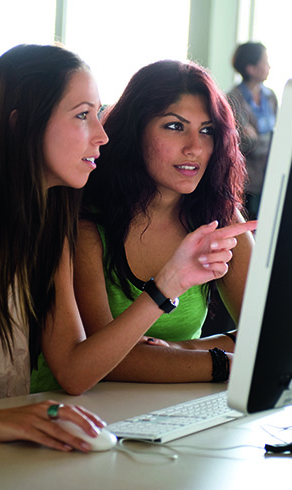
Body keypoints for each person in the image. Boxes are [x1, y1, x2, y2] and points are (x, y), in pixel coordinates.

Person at [0, 45, 255, 451]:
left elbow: (75, 368)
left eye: (97, 114)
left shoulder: (49, 219)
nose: (103, 134)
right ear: (21, 125)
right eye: (83, 115)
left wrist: (169, 290)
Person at [31, 59, 256, 391]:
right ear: (135, 131)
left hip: (170, 407)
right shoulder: (84, 218)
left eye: (207, 131)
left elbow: (265, 341)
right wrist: (222, 361)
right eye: (175, 126)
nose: (195, 147)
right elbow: (105, 362)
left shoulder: (218, 217)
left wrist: (180, 351)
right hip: (76, 410)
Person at [228, 41, 278, 220]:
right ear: (250, 68)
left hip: (270, 177)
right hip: (246, 183)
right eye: (265, 62)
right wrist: (267, 140)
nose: (269, 66)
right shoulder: (233, 99)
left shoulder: (270, 96)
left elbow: (278, 138)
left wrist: (258, 137)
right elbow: (246, 144)